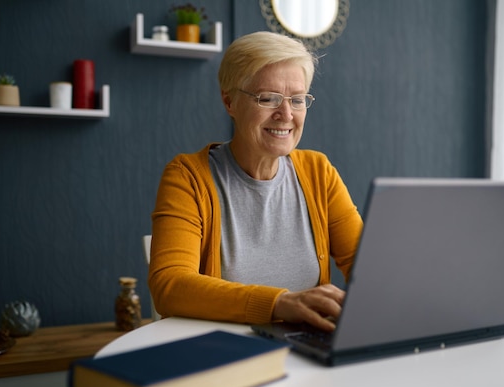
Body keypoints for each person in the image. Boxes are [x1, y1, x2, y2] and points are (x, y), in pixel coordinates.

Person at [148, 31, 363, 332]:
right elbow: (169, 286)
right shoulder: (188, 176)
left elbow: (366, 269)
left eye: (297, 99)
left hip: (308, 351)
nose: (286, 114)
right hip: (223, 355)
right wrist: (279, 303)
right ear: (230, 101)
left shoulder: (319, 171)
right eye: (268, 98)